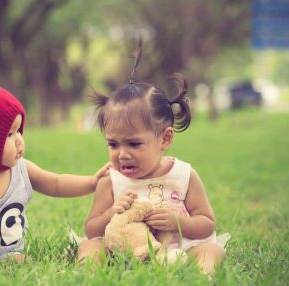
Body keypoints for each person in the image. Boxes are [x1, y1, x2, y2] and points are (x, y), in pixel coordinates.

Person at [76, 43, 227, 274]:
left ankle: (201, 276)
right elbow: (91, 229)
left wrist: (179, 222)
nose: (122, 154)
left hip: (177, 251)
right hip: (124, 250)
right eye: (113, 144)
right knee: (90, 246)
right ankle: (88, 275)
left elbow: (207, 223)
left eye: (134, 143)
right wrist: (111, 213)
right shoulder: (110, 180)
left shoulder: (184, 175)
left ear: (165, 139)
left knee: (213, 251)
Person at [0, 81, 110, 263]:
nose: (19, 141)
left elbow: (56, 184)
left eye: (18, 131)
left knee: (18, 261)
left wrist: (92, 182)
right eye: (9, 135)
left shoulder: (20, 169)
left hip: (14, 256)